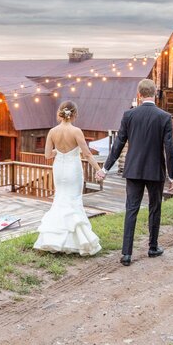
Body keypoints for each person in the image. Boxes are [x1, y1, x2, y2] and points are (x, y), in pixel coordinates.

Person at [96, 79, 173, 266]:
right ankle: (153, 247)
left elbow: (118, 144)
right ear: (154, 93)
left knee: (131, 209)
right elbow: (169, 149)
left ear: (139, 95)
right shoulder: (164, 117)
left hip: (133, 170)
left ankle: (126, 254)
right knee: (155, 208)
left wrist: (105, 168)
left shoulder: (129, 115)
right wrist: (171, 175)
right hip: (155, 170)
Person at [33, 101, 102, 256]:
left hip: (59, 169)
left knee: (60, 199)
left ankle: (53, 239)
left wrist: (59, 152)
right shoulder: (76, 131)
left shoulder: (52, 131)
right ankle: (77, 241)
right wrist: (99, 170)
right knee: (73, 200)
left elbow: (47, 155)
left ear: (60, 113)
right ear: (74, 114)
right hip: (73, 169)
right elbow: (88, 154)